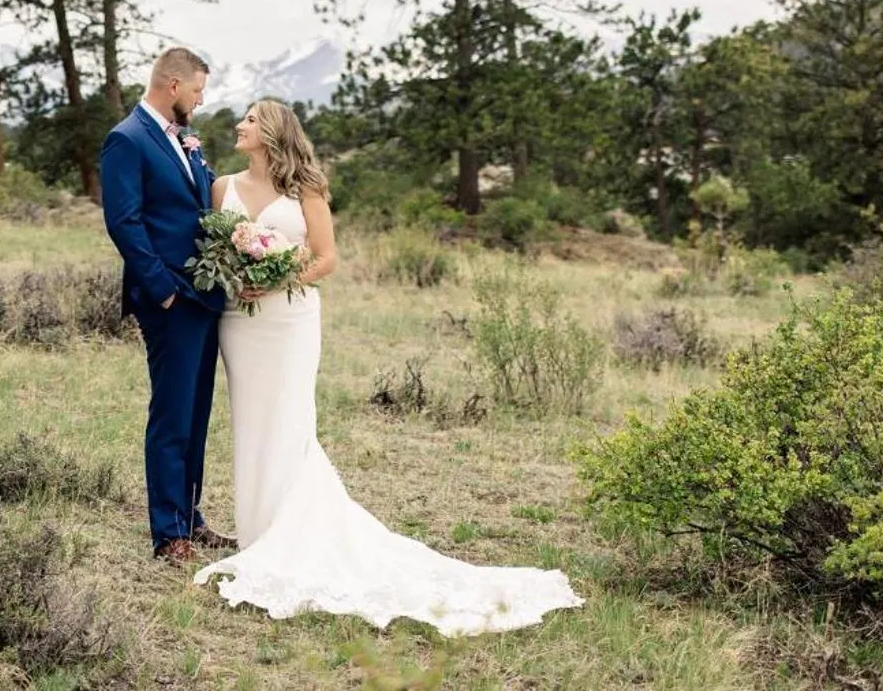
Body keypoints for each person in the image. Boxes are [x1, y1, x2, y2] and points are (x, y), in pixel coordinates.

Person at [193, 99, 583, 635]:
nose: (240, 125)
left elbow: (325, 258)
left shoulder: (306, 188)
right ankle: (258, 532)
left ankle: (292, 532)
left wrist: (277, 278)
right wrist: (239, 276)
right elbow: (215, 246)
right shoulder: (222, 189)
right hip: (241, 321)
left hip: (289, 319)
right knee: (251, 421)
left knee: (289, 419)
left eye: (251, 120)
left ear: (275, 131)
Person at [99, 46, 231, 563]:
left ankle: (190, 517)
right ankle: (169, 533)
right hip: (170, 300)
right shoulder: (127, 139)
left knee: (196, 413)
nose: (200, 101)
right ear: (173, 86)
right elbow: (124, 222)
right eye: (197, 91)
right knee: (172, 414)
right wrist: (164, 289)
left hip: (204, 297)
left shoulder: (183, 140)